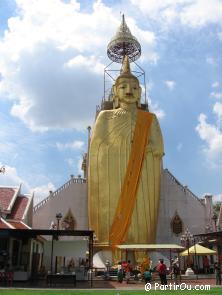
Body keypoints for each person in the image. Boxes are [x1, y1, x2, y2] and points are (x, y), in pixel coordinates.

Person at [88, 55, 164, 257]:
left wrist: (141, 150)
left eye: (134, 87)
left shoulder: (149, 119)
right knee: (113, 212)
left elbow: (158, 148)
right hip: (112, 176)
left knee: (143, 215)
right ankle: (113, 255)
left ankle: (142, 256)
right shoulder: (106, 117)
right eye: (123, 87)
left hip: (142, 174)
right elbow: (96, 150)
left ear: (140, 92)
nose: (129, 91)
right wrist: (117, 151)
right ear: (115, 91)